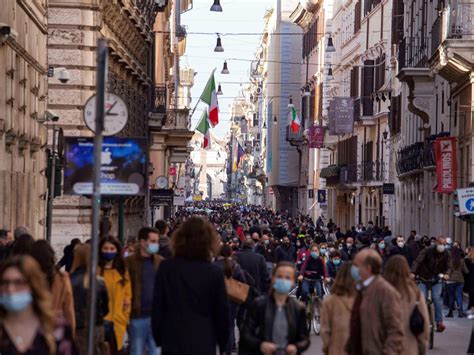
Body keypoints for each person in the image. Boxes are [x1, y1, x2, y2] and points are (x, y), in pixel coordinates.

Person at [152, 217, 230, 354]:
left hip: (173, 339)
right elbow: (221, 313)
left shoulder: (167, 268)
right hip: (203, 341)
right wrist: (223, 344)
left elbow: (158, 306)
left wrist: (160, 338)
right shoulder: (214, 272)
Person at [0, 256, 77, 354]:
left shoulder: (56, 328)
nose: (10, 289)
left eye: (19, 282)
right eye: (5, 283)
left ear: (33, 286)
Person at [239, 262, 310, 355]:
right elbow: (246, 333)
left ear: (293, 282)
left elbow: (304, 339)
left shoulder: (298, 308)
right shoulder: (259, 305)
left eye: (287, 278)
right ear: (272, 278)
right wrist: (260, 345)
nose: (283, 280)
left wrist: (296, 347)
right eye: (279, 276)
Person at [346, 248, 404, 354]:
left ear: (368, 268)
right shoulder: (360, 288)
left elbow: (395, 330)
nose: (353, 268)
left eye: (356, 265)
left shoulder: (385, 291)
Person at [125, 227, 163, 355]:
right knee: (136, 351)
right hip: (137, 316)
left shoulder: (160, 262)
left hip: (157, 317)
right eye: (153, 241)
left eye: (157, 241)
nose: (156, 244)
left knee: (156, 351)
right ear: (142, 242)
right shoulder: (129, 262)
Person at [384, 255, 429, 355]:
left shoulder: (381, 291)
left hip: (385, 347)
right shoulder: (415, 293)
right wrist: (422, 347)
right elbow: (424, 323)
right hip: (409, 347)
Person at [29, 240, 76, 335]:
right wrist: (71, 333)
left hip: (31, 327)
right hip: (55, 327)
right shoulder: (62, 278)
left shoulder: (27, 277)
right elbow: (69, 308)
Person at [70, 243, 109, 354]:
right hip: (96, 325)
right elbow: (106, 307)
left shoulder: (70, 281)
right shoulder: (99, 281)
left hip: (78, 326)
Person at [98, 236, 132, 354]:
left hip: (118, 322)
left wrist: (124, 317)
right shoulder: (96, 271)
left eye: (112, 248)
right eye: (105, 248)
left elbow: (128, 296)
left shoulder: (122, 271)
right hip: (100, 323)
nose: (108, 251)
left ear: (117, 250)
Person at [411, 237, 452, 332]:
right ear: (436, 243)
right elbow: (418, 261)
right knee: (422, 298)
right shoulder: (427, 251)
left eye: (444, 244)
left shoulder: (447, 253)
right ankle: (420, 321)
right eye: (441, 243)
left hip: (437, 279)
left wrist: (447, 274)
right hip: (423, 278)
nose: (443, 246)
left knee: (436, 298)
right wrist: (412, 272)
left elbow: (449, 266)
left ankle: (439, 322)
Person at [214, 244, 247, 355]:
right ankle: (228, 350)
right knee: (230, 325)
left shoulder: (214, 265)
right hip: (232, 300)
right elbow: (243, 281)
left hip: (217, 299)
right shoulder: (235, 266)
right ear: (230, 253)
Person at [320, 262, 355, 355]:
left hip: (336, 349)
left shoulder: (330, 301)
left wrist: (327, 348)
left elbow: (325, 330)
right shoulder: (362, 298)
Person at [446, 244, 468, 318]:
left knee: (451, 296)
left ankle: (451, 312)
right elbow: (466, 271)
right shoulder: (461, 260)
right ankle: (460, 312)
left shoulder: (449, 260)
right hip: (460, 280)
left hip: (450, 280)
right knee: (459, 296)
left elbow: (447, 270)